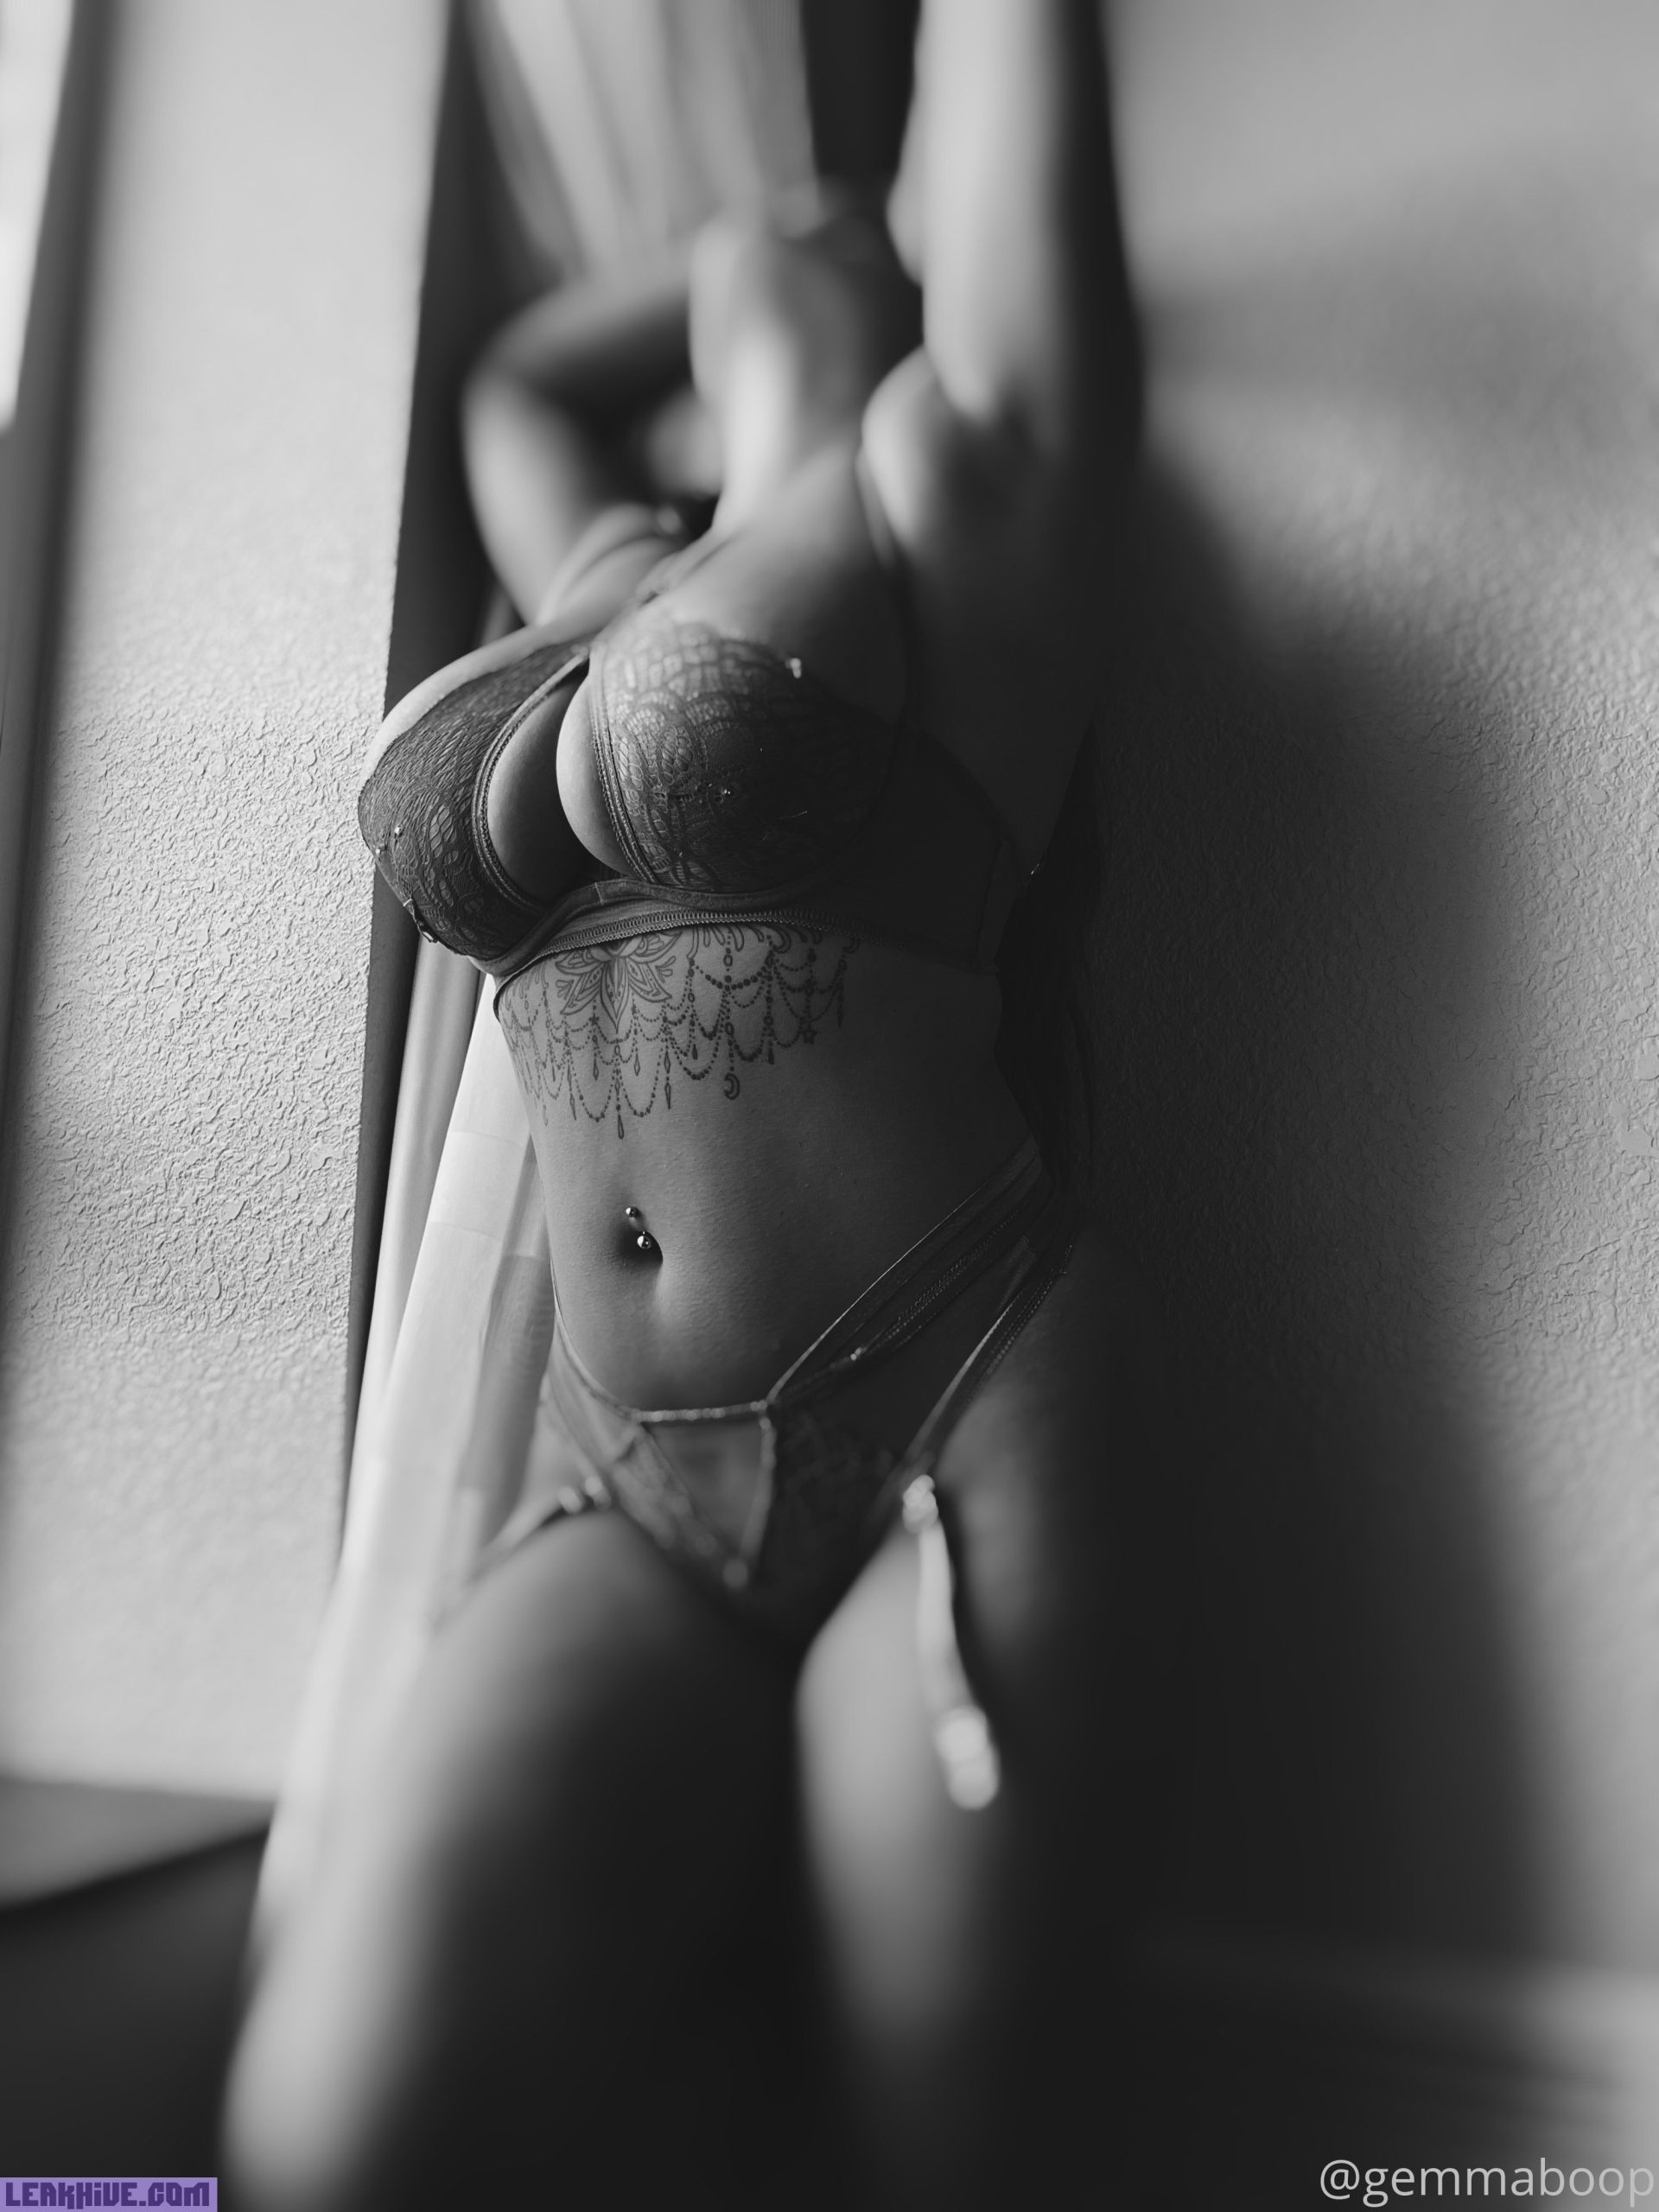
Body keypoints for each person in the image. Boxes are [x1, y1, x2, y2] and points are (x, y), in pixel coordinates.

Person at [225, 2, 1168, 2204]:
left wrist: (861, 222)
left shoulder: (965, 485)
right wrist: (756, 223)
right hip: (623, 1479)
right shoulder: (596, 559)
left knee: (949, 2159)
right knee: (325, 2146)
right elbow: (517, 379)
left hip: (948, 1410)